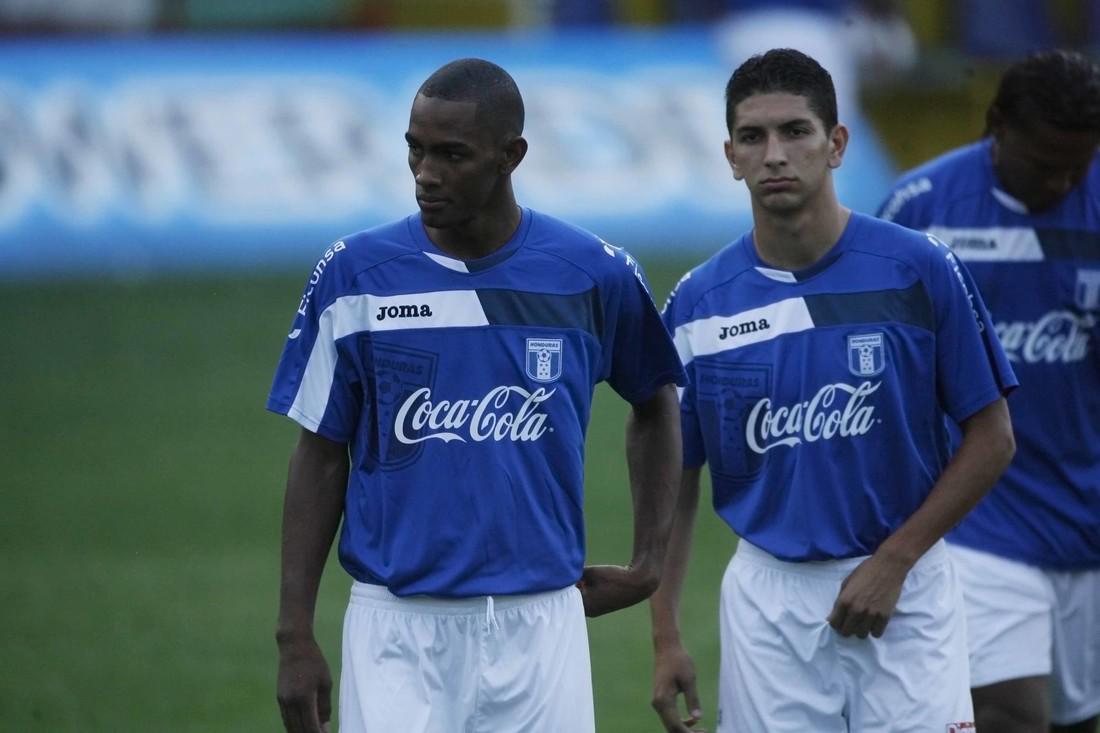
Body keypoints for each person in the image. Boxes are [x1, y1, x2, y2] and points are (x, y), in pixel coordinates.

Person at [266, 58, 686, 733]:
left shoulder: (591, 273)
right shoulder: (355, 275)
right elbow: (318, 452)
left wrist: (648, 562)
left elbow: (656, 400)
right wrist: (294, 635)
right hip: (395, 627)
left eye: (451, 154)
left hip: (541, 625)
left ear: (510, 156)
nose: (425, 173)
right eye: (415, 148)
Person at [650, 48, 1017, 733]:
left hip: (908, 584)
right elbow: (674, 476)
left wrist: (896, 560)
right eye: (754, 137)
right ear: (730, 155)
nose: (775, 154)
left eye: (796, 131)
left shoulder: (918, 269)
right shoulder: (699, 303)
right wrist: (665, 632)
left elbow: (993, 437)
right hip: (770, 602)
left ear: (837, 143)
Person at [879, 49, 1100, 733]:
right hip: (978, 520)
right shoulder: (922, 212)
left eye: (1079, 164)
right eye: (1044, 163)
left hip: (1086, 517)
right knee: (1010, 711)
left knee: (1077, 720)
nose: (1062, 180)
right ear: (994, 126)